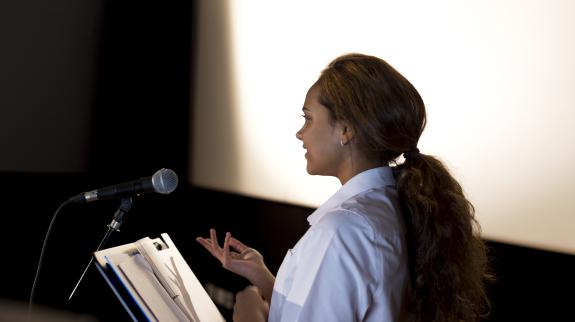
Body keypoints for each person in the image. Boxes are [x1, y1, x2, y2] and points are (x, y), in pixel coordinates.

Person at [196, 53, 492, 322]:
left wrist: (249, 316)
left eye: (308, 118)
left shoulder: (343, 230)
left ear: (346, 130)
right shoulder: (390, 208)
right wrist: (264, 279)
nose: (300, 133)